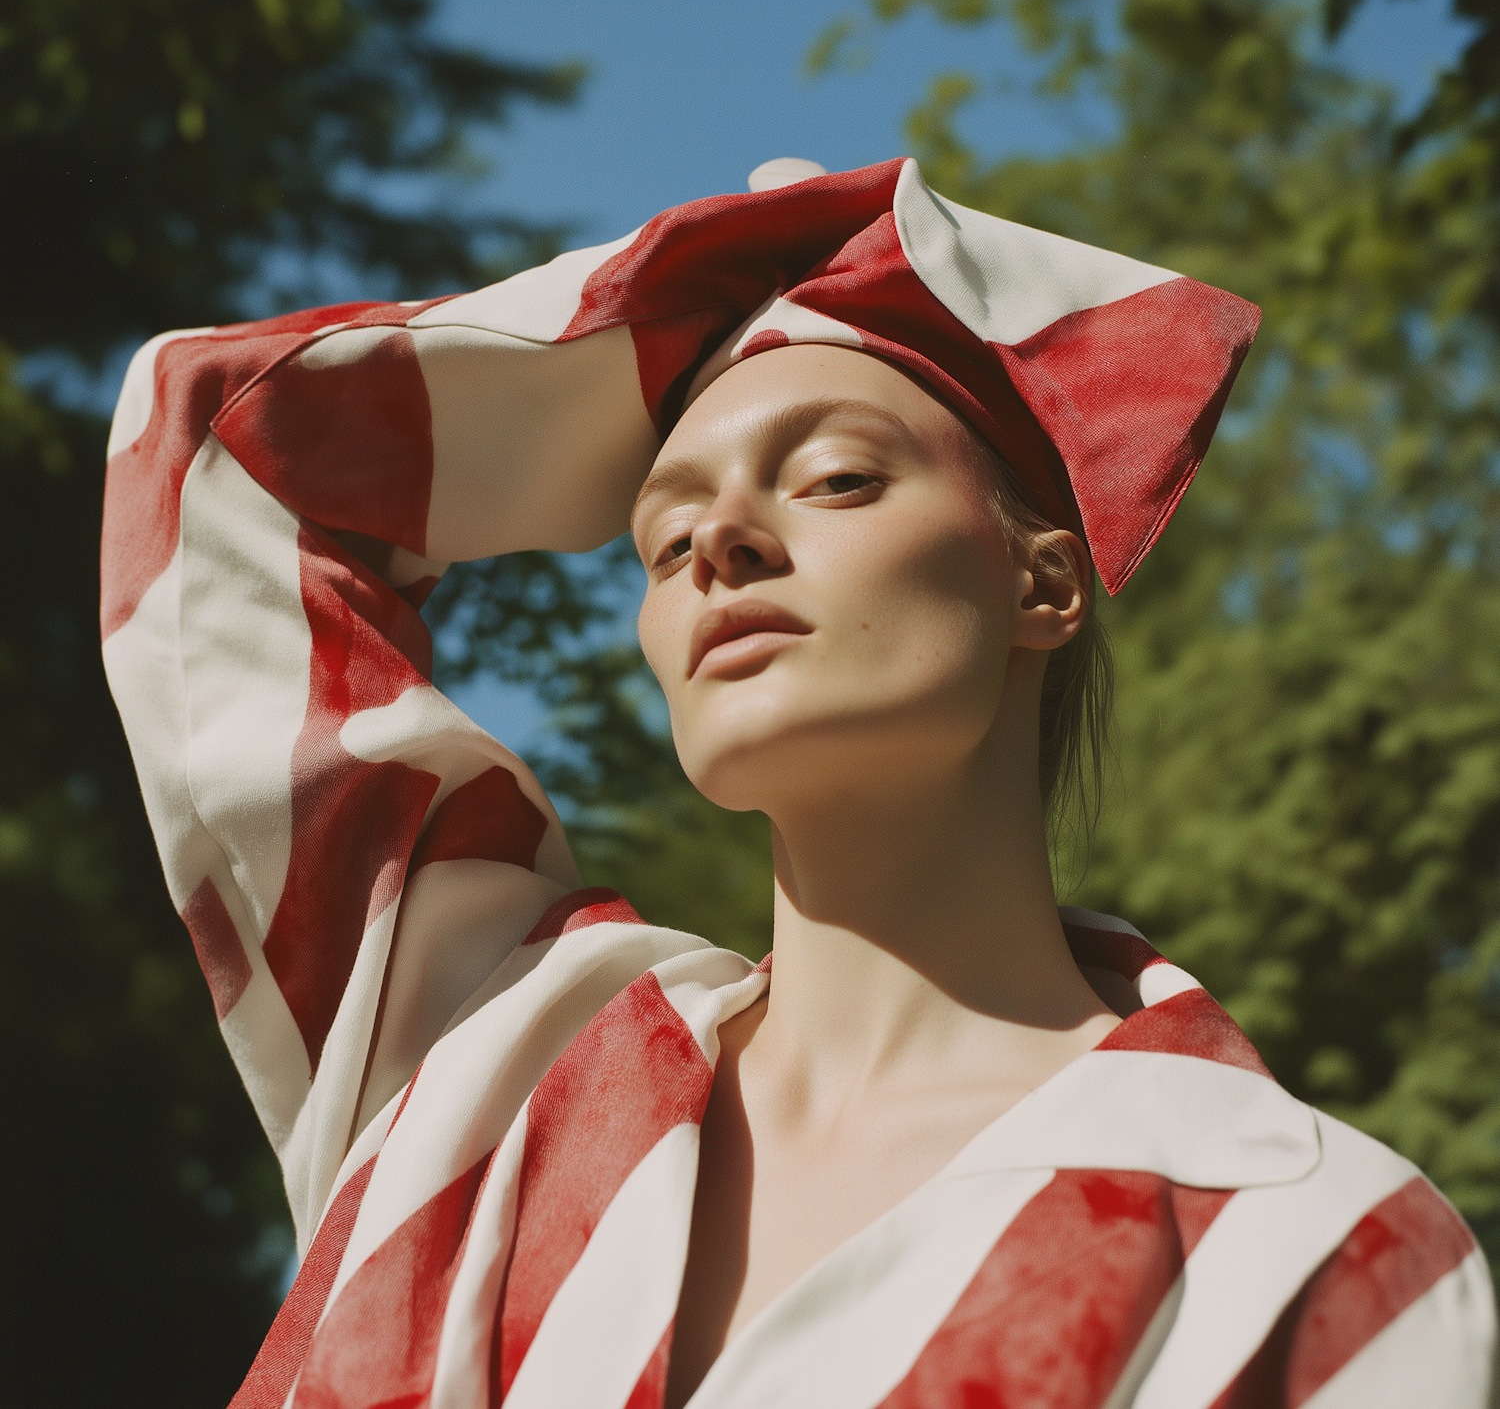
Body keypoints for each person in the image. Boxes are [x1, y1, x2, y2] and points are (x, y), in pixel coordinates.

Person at [101, 157, 1495, 1409]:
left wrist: (769, 304)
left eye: (833, 479)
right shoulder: (480, 1047)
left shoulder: (1316, 1244)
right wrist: (699, 304)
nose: (717, 544)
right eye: (660, 537)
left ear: (1043, 579)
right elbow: (220, 452)